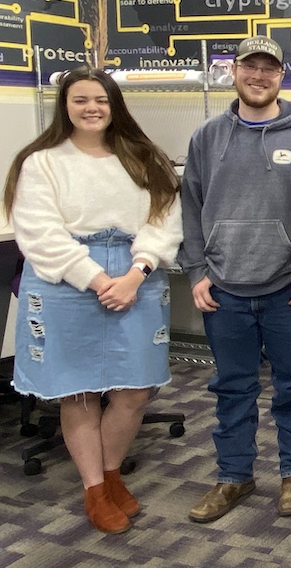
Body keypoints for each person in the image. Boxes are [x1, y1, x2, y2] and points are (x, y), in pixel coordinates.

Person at [3, 66, 182, 534]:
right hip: (67, 280)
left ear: (114, 105)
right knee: (79, 391)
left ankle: (111, 472)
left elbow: (165, 220)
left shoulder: (144, 157)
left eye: (100, 100)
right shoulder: (41, 162)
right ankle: (95, 488)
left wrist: (135, 274)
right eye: (80, 99)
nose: (91, 108)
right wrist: (99, 279)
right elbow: (39, 234)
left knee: (134, 390)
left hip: (136, 275)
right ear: (64, 106)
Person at [179, 35, 291, 523]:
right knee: (232, 389)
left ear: (281, 76)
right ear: (234, 71)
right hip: (224, 288)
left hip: (289, 288)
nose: (259, 76)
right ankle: (234, 476)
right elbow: (191, 206)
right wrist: (197, 271)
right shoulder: (207, 137)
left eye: (269, 68)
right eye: (250, 66)